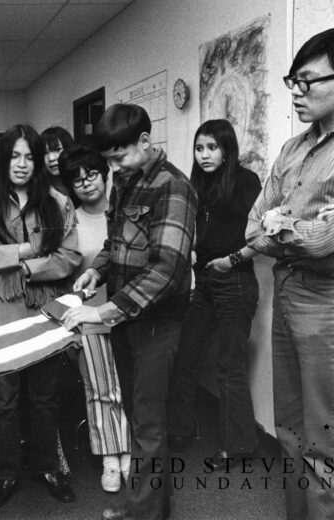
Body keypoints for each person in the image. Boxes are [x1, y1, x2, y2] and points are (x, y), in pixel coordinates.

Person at [62, 104, 196, 520]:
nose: (112, 167)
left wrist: (103, 314)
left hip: (155, 324)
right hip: (127, 320)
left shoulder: (173, 186)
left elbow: (168, 269)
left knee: (150, 426)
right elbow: (113, 245)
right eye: (108, 160)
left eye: (118, 157)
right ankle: (147, 508)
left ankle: (144, 514)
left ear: (144, 141)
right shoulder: (126, 181)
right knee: (137, 418)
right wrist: (93, 275)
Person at [0, 124, 81, 508]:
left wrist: (30, 268)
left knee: (46, 395)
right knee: (3, 399)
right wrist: (23, 251)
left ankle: (48, 466)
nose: (22, 163)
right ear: (2, 159)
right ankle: (5, 473)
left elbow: (69, 258)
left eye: (29, 156)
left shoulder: (57, 202)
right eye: (14, 155)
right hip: (3, 309)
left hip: (45, 307)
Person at [245, 28, 334, 520]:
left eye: (307, 81)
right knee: (290, 428)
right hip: (287, 290)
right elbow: (254, 226)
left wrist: (283, 226)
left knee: (324, 437)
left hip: (326, 301)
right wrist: (293, 228)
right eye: (291, 81)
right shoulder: (292, 149)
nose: (296, 92)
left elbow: (326, 243)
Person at [168, 120, 262, 470]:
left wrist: (231, 260)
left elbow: (262, 235)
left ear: (227, 149)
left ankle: (239, 446)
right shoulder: (197, 184)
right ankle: (179, 429)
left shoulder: (246, 181)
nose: (204, 155)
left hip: (235, 281)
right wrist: (193, 251)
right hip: (204, 281)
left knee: (229, 367)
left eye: (212, 147)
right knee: (185, 353)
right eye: (199, 148)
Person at [59, 145, 132, 493]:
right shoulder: (68, 219)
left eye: (91, 175)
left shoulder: (124, 212)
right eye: (76, 180)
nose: (85, 184)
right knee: (100, 390)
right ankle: (109, 460)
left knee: (129, 387)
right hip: (89, 319)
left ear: (105, 174)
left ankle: (130, 450)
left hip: (127, 312)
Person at [41, 126, 75, 196]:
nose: (51, 158)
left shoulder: (82, 182)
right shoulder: (40, 190)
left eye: (57, 150)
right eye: (45, 153)